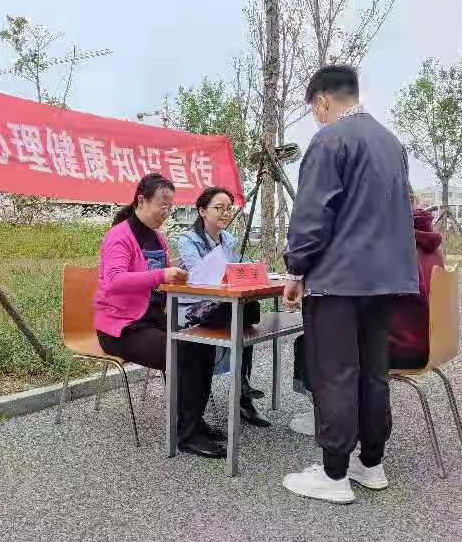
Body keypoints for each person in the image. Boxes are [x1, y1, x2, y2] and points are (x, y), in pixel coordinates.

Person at [281, 65, 418, 504]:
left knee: (335, 372)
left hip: (337, 281)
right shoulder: (392, 143)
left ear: (322, 101)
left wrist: (296, 268)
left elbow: (312, 216)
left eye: (314, 110)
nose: (316, 118)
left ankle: (333, 473)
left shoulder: (330, 140)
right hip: (384, 281)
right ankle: (371, 463)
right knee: (373, 372)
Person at [289, 192, 445, 436]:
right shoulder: (428, 241)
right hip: (429, 342)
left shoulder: (390, 243)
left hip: (400, 345)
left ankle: (330, 417)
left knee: (312, 343)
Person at [94, 173, 225, 459]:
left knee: (202, 342)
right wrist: (161, 275)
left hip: (152, 319)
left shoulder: (157, 238)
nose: (166, 213)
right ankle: (187, 435)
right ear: (141, 200)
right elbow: (114, 280)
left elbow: (162, 280)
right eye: (162, 206)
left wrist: (183, 277)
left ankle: (194, 422)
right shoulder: (119, 236)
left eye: (170, 207)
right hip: (122, 328)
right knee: (183, 349)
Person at [176, 186, 271, 429]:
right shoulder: (188, 240)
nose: (225, 213)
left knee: (249, 311)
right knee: (244, 314)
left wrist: (249, 269)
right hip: (194, 308)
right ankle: (242, 393)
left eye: (228, 208)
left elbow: (235, 270)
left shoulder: (228, 239)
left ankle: (242, 391)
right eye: (219, 208)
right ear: (202, 211)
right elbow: (199, 275)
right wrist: (228, 274)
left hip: (223, 303)